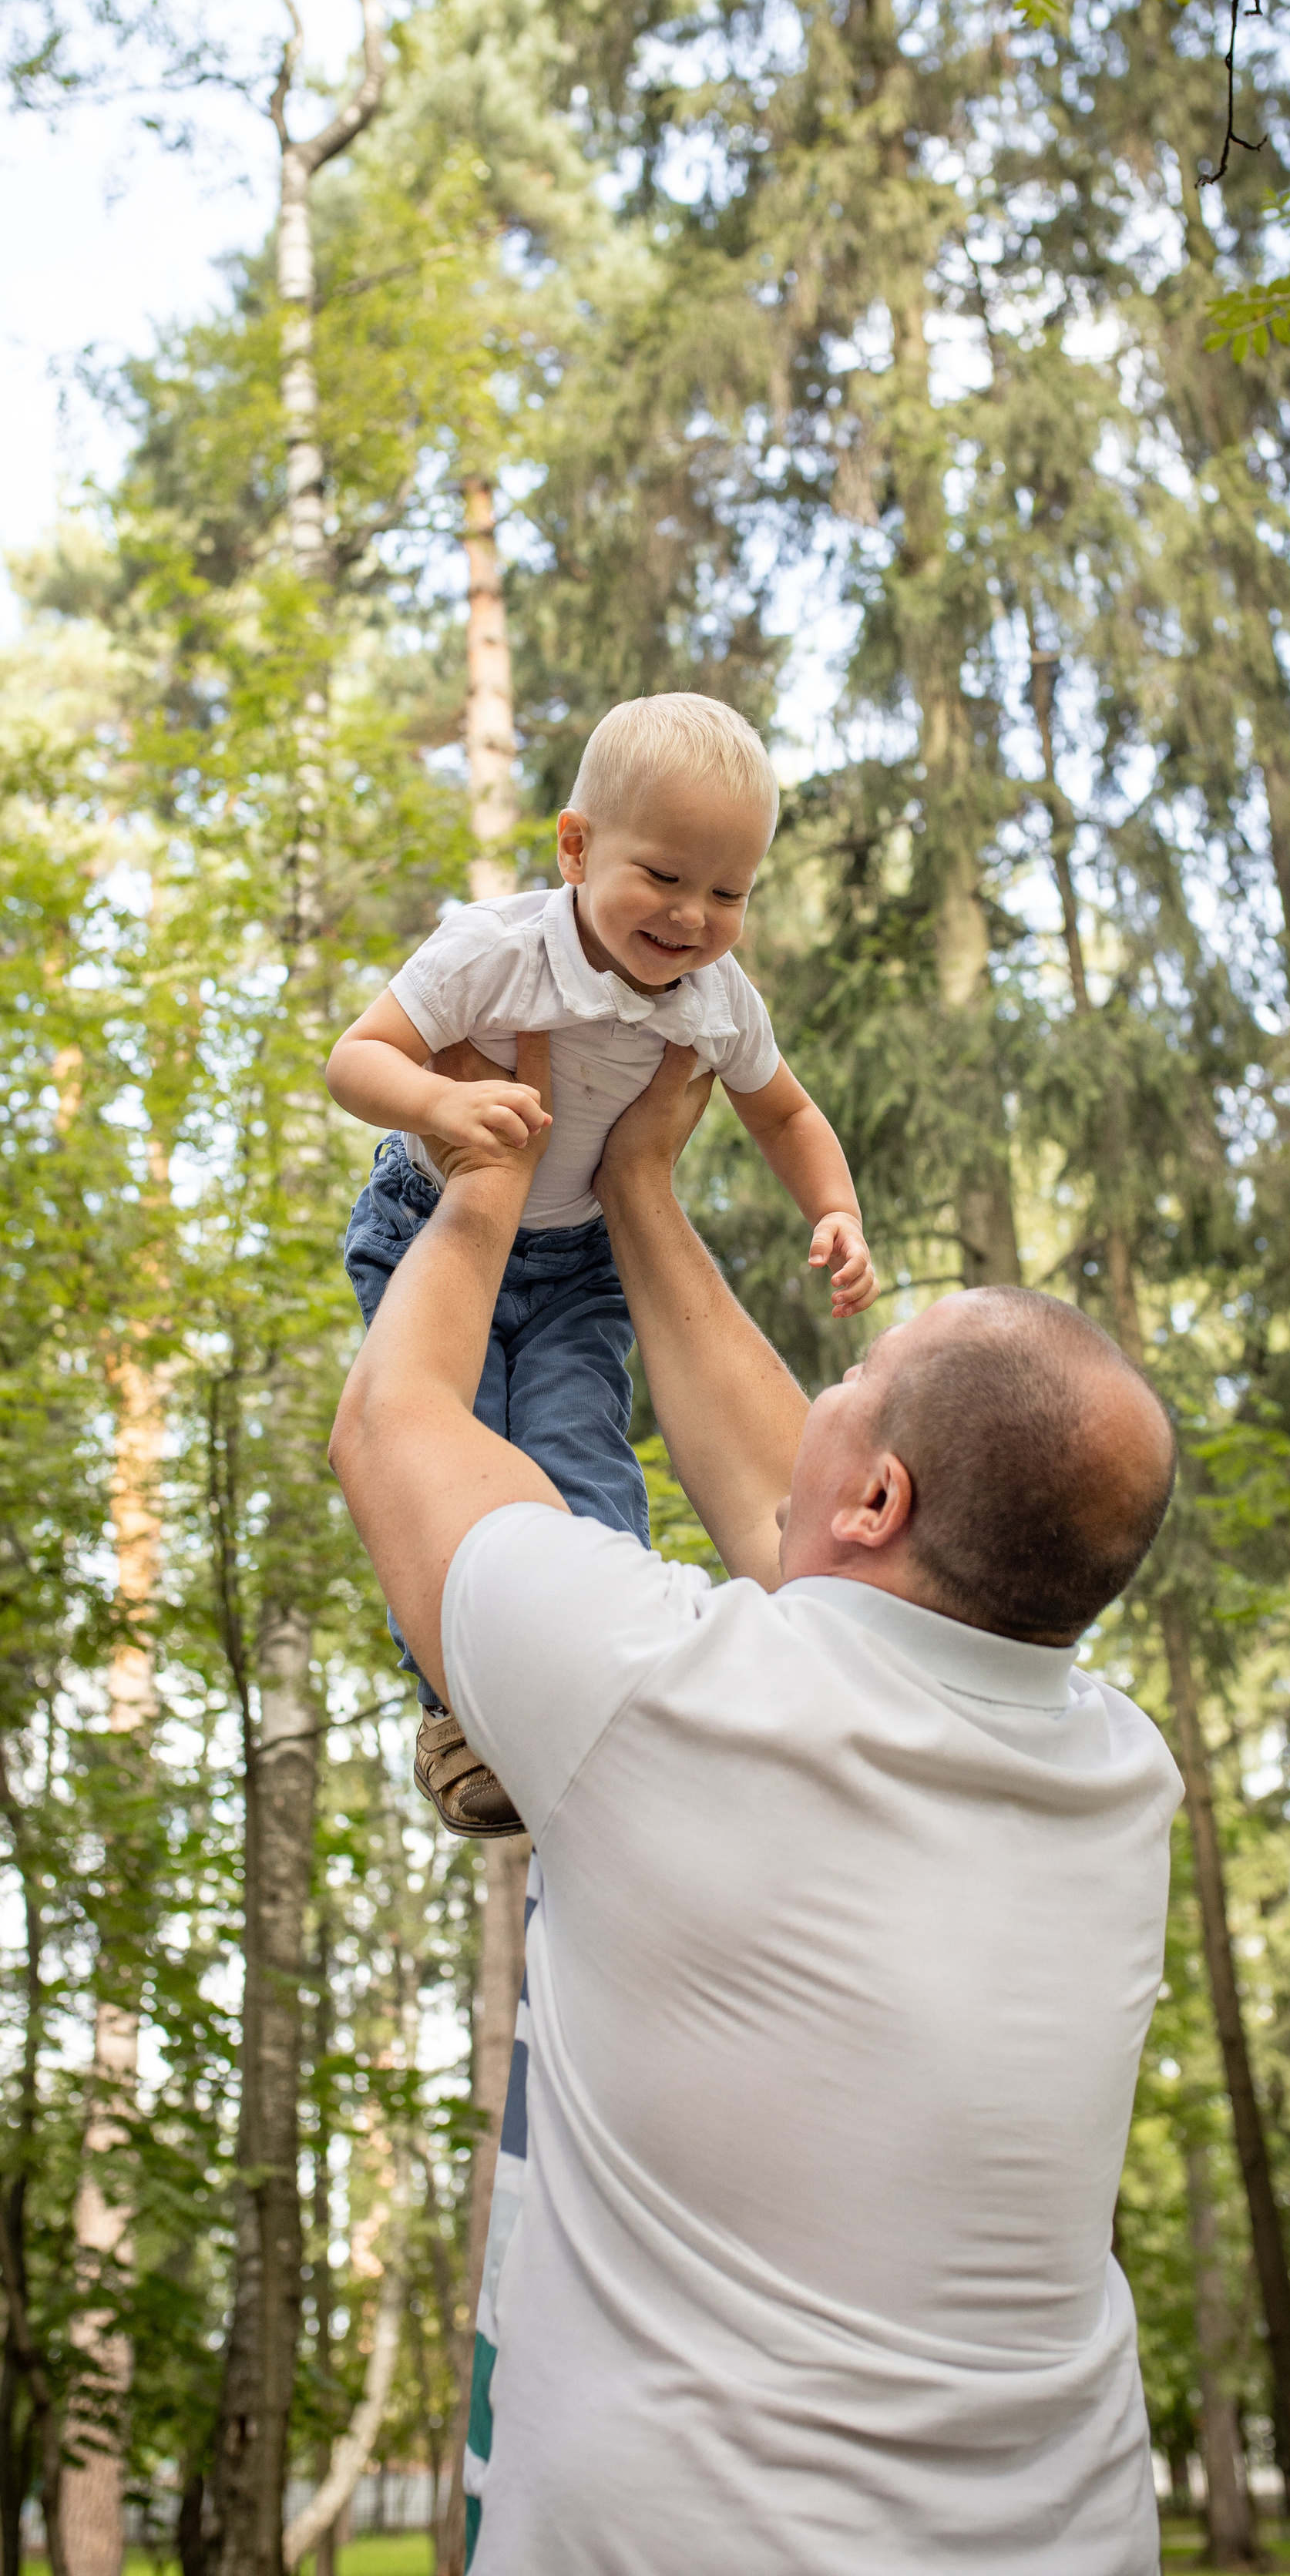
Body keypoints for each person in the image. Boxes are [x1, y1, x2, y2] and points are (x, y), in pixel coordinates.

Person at [329, 1037, 1186, 2574]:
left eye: (848, 1384)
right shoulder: (1121, 1779)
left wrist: (480, 1178)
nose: (815, 1400)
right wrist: (642, 1185)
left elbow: (397, 1430)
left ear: (878, 1500)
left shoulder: (665, 1699)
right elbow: (815, 1534)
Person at [326, 691, 877, 1837]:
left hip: (581, 1265)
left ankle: (598, 1673)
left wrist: (835, 1209)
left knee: (581, 1447)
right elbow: (358, 1059)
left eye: (728, 893)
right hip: (432, 1225)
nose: (692, 918)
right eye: (666, 878)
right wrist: (442, 1100)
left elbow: (786, 1113)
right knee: (450, 1436)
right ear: (576, 848)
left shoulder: (717, 1002)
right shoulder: (496, 950)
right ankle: (457, 1712)